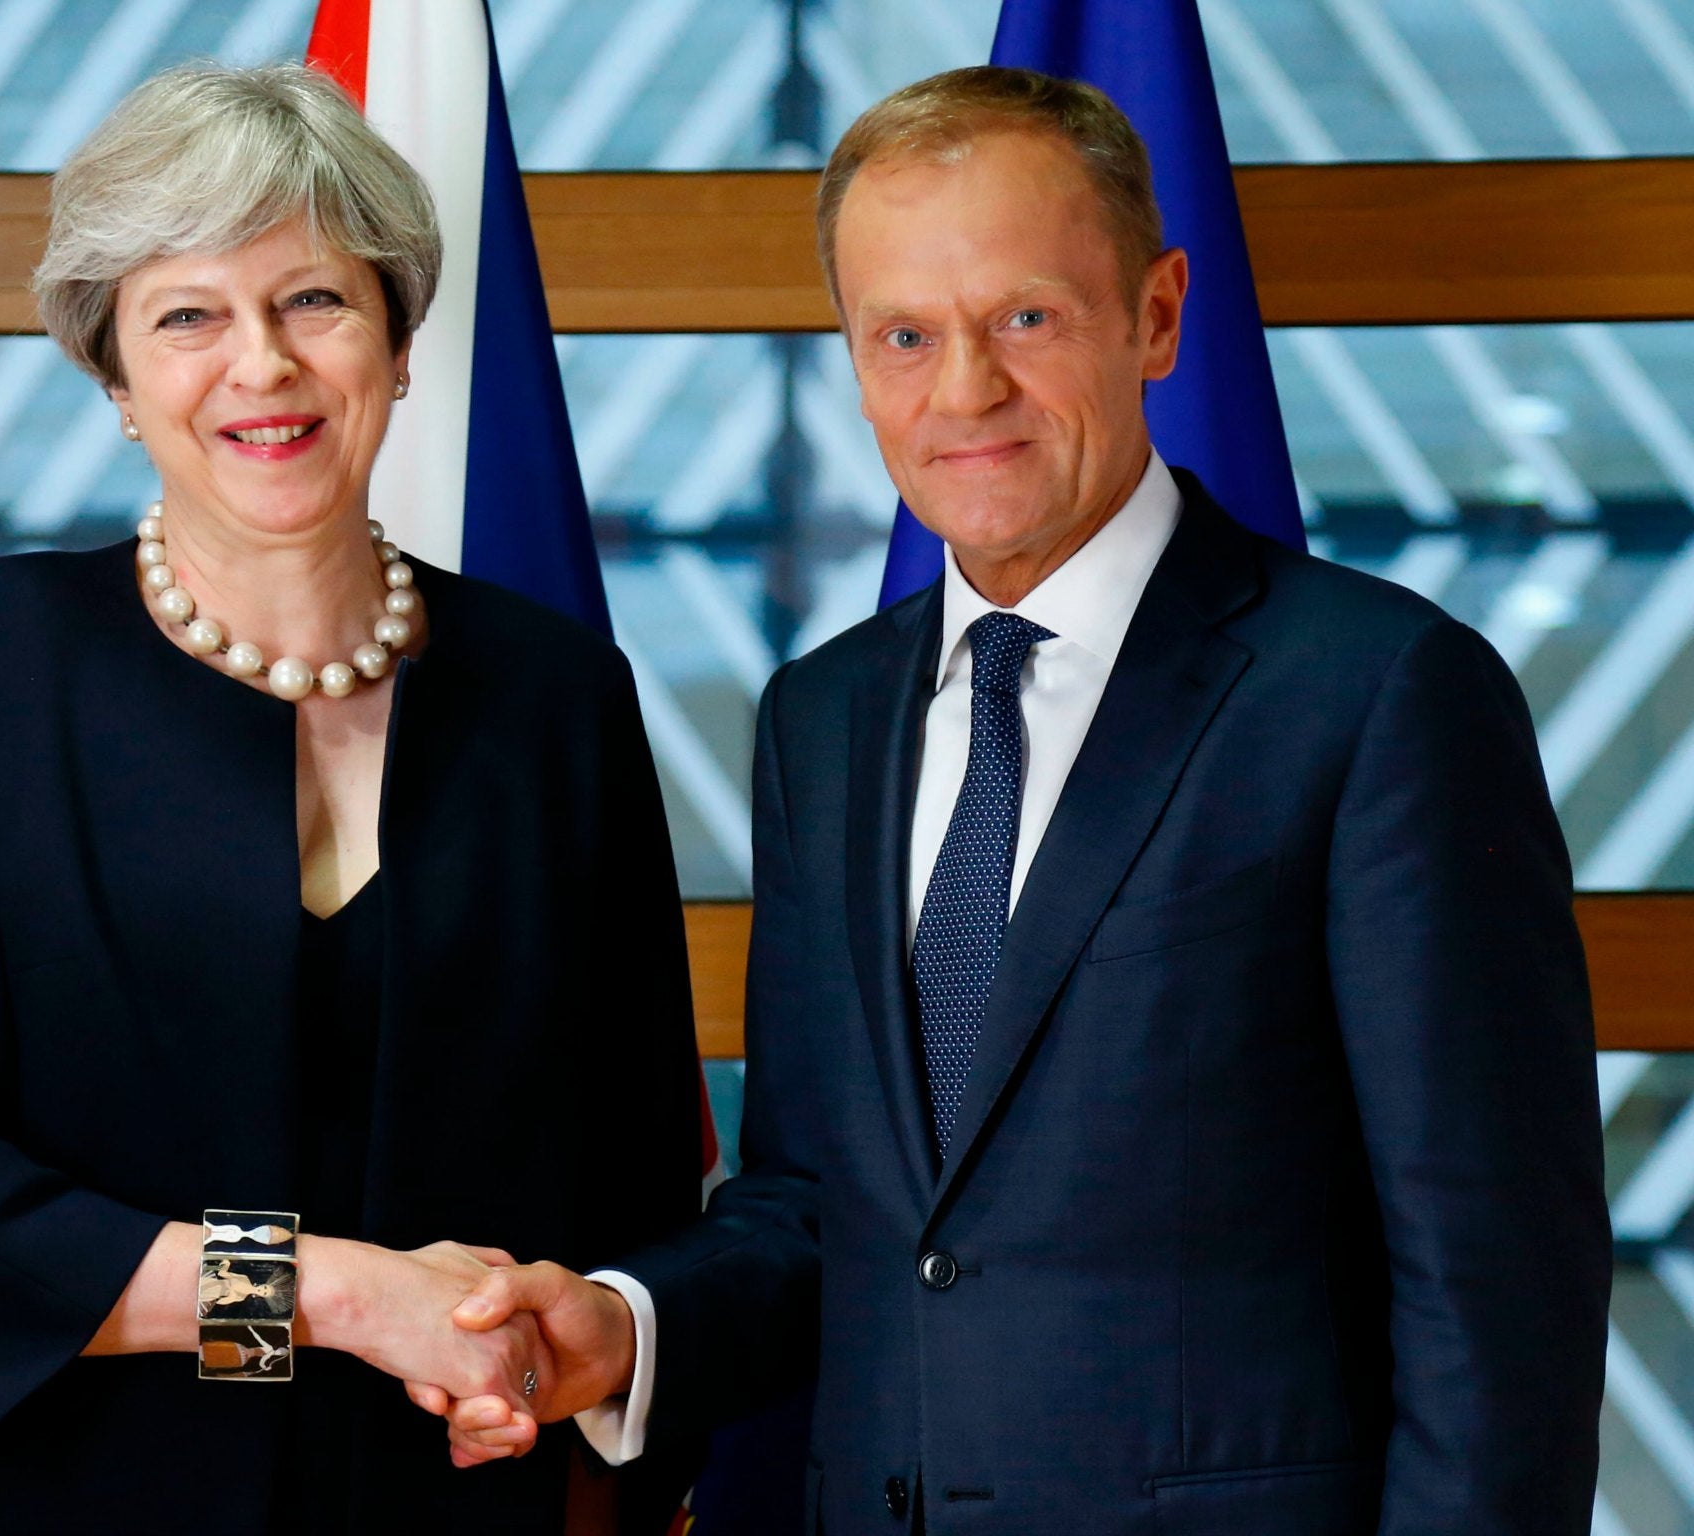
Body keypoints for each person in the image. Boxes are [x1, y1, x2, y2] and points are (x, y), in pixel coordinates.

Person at [426, 66, 1611, 1535]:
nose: (962, 391)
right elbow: (821, 1206)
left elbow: (1494, 1281)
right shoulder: (825, 717)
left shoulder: (1381, 697)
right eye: (904, 335)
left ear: (1160, 316)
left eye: (1026, 319)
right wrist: (624, 1327)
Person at [0, 62, 696, 1535]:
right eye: (188, 316)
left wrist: (543, 1332)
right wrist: (330, 1293)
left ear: (394, 337)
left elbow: (637, 1180)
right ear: (117, 380)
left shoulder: (558, 699)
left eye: (314, 300)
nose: (260, 363)